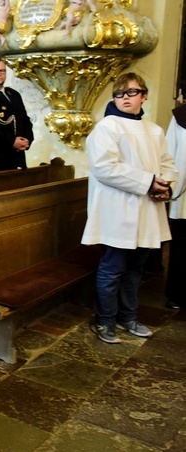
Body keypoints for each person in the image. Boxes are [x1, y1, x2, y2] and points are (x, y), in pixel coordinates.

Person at [82, 72, 177, 344]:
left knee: (136, 269)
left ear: (144, 96)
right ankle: (105, 320)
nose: (125, 98)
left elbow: (167, 164)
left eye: (132, 92)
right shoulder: (106, 127)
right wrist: (149, 182)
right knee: (112, 267)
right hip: (117, 209)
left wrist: (165, 185)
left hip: (147, 209)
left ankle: (128, 317)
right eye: (120, 94)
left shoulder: (154, 130)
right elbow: (104, 168)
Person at [165, 105, 186, 309]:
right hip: (184, 196)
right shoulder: (181, 116)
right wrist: (168, 187)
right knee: (181, 246)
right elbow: (169, 154)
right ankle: (177, 294)